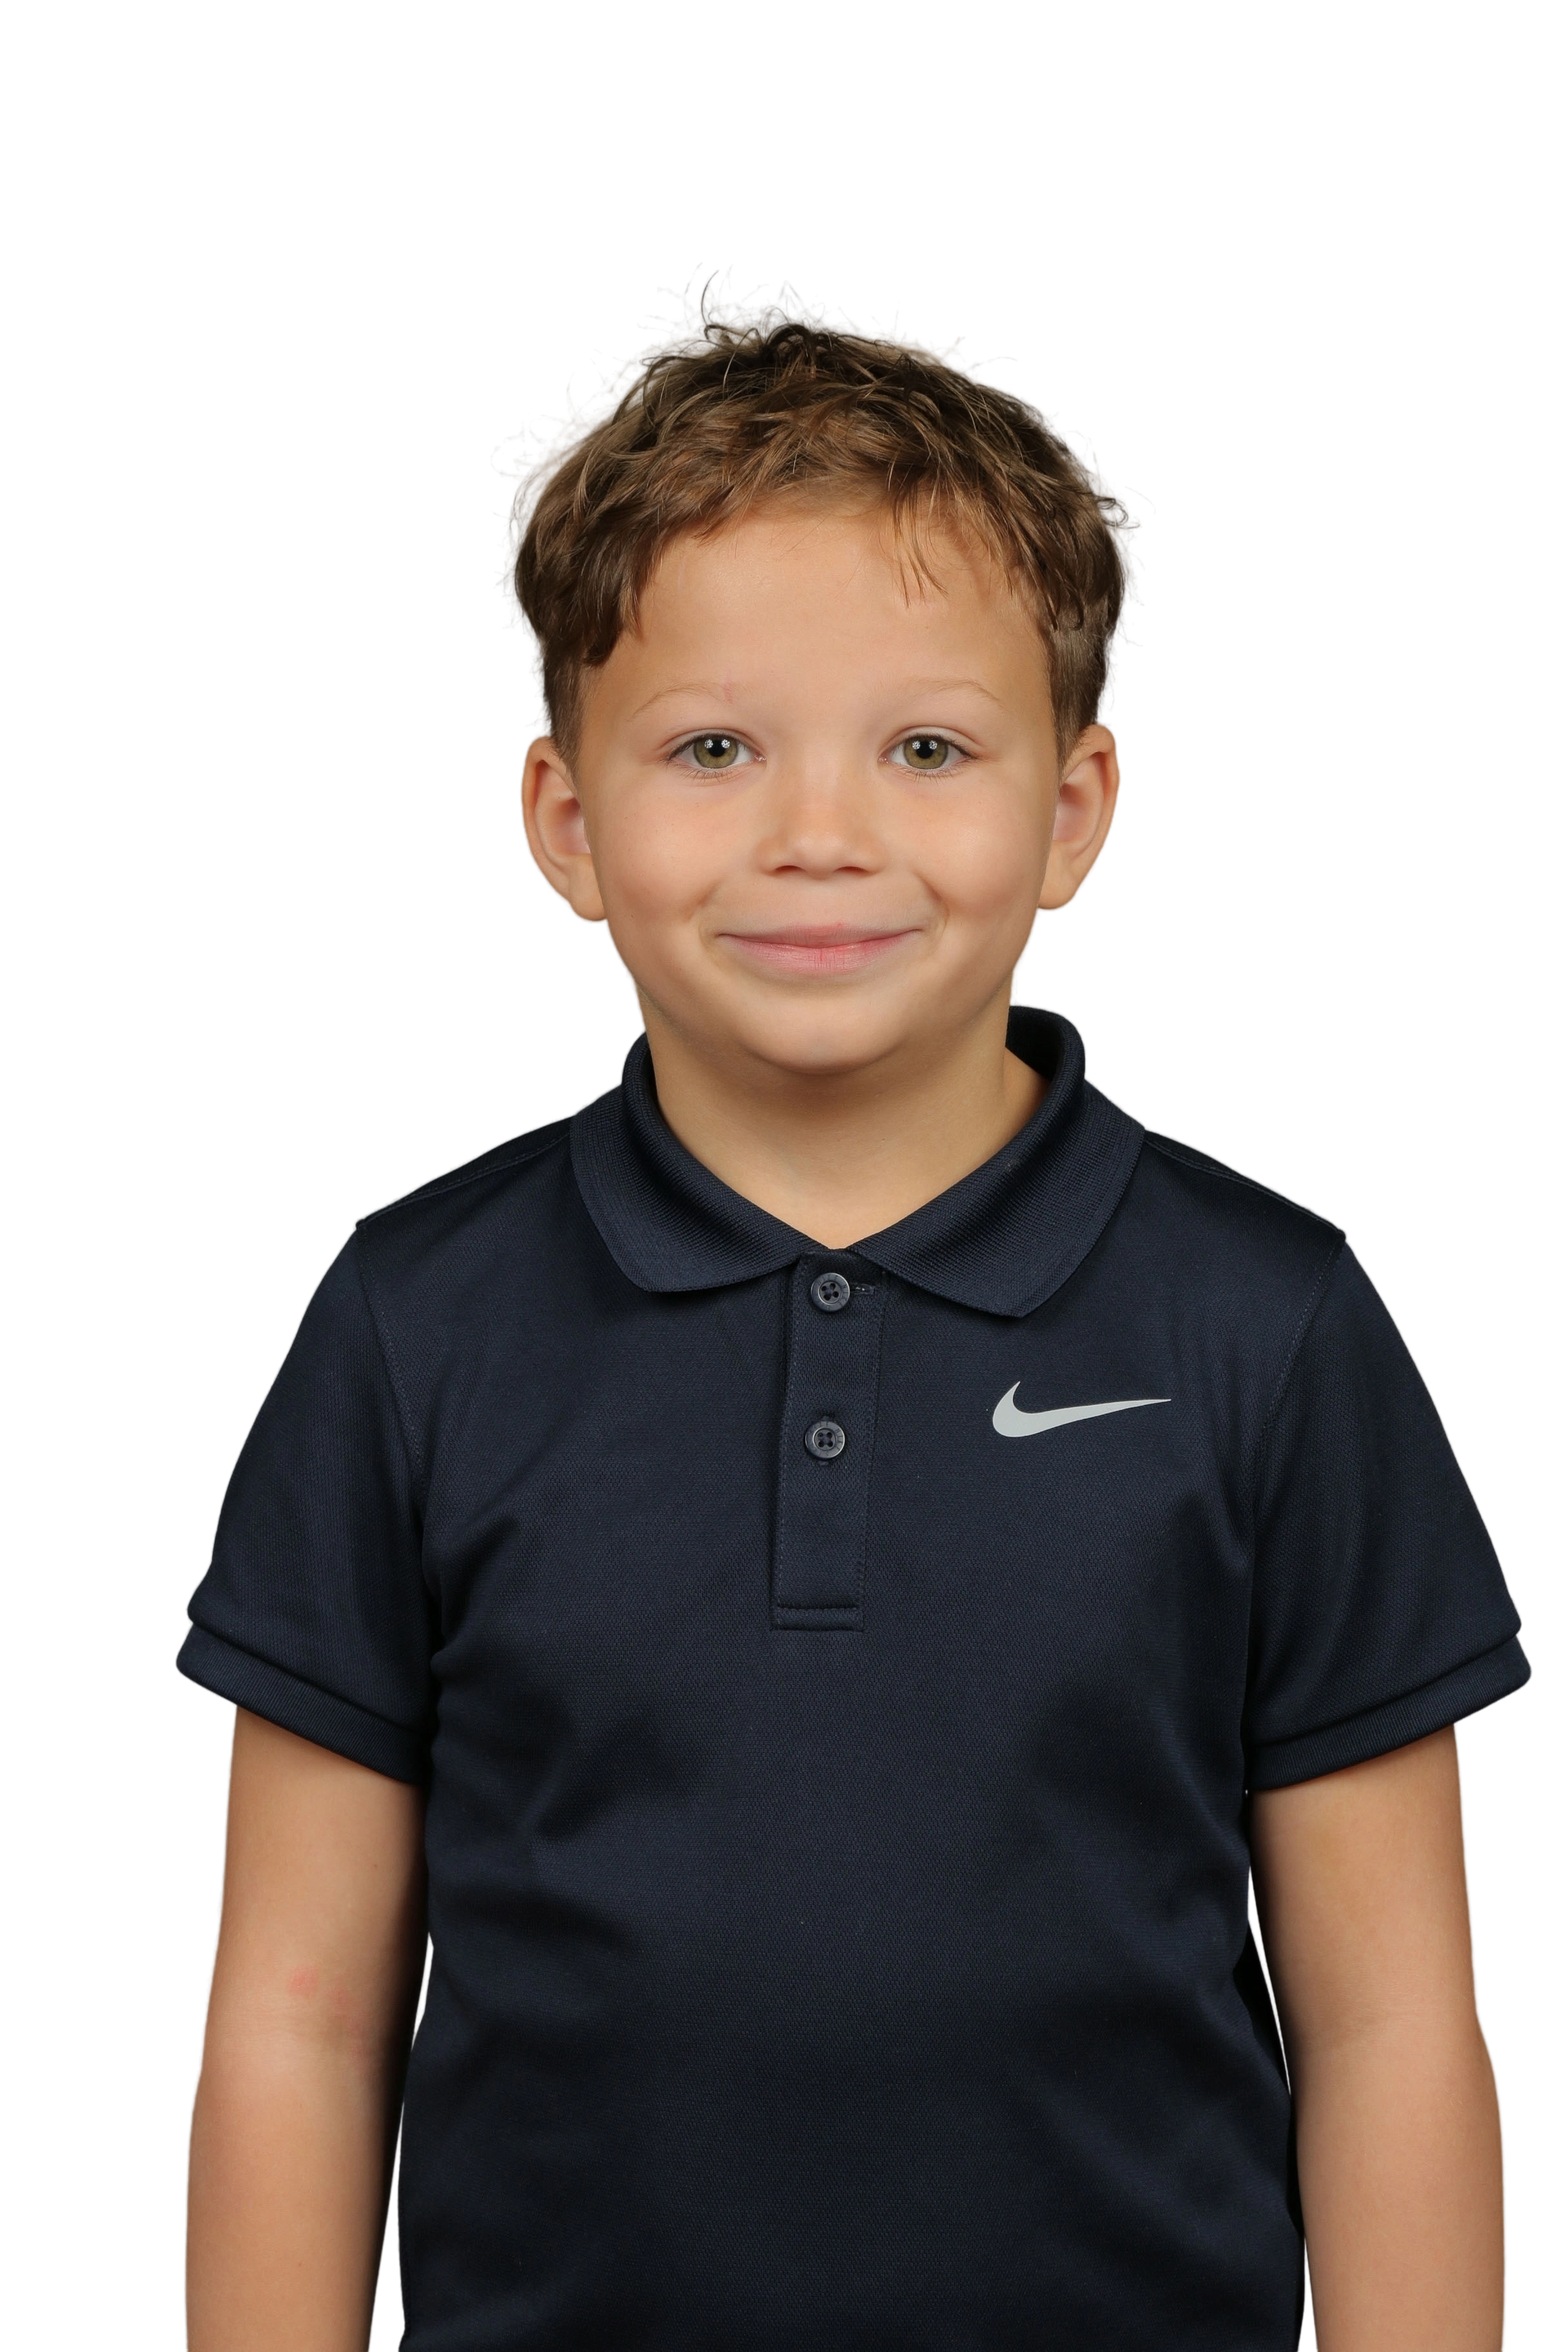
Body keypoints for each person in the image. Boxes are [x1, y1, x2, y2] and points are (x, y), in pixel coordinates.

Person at [175, 264, 1532, 2352]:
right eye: (714, 745)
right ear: (566, 820)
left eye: (924, 746)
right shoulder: (411, 1321)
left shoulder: (1269, 1323)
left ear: (1073, 809)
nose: (821, 836)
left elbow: (1393, 2028)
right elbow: (297, 2016)